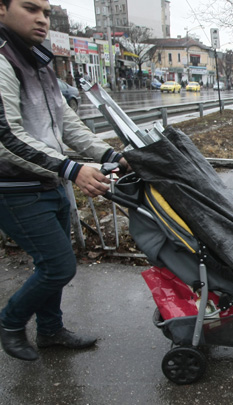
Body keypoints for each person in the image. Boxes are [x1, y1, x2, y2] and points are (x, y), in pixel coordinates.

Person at [0, 0, 129, 361]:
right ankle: (10, 321)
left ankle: (51, 330)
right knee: (58, 266)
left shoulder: (36, 60)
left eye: (45, 11)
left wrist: (110, 155)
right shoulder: (3, 60)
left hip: (49, 183)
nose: (42, 18)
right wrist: (72, 169)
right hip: (16, 188)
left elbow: (67, 123)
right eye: (30, 8)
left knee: (53, 264)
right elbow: (5, 137)